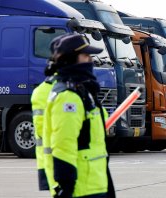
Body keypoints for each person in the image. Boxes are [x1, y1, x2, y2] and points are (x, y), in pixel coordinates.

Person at [42, 33, 115, 198]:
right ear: (71, 59)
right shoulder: (69, 97)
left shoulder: (83, 91)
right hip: (81, 188)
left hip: (94, 184)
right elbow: (63, 144)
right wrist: (66, 187)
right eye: (86, 55)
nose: (90, 60)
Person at [31, 33, 70, 191]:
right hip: (54, 161)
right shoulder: (47, 91)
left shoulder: (71, 87)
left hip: (59, 160)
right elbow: (43, 130)